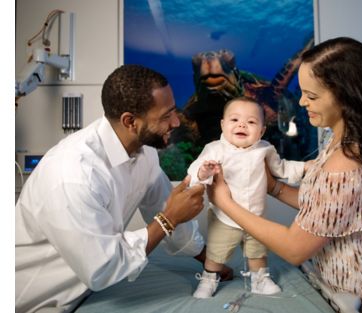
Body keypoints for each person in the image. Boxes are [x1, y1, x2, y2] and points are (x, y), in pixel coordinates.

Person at [207, 37, 362, 313]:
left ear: (347, 96)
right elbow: (330, 209)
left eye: (312, 96)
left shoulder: (348, 160)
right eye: (302, 92)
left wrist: (225, 202)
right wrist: (273, 187)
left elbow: (295, 248)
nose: (302, 102)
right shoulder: (343, 138)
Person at [15, 64, 232, 313]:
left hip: (82, 291)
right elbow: (104, 268)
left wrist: (210, 260)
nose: (175, 122)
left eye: (175, 111)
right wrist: (169, 219)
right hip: (30, 300)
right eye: (166, 115)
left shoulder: (144, 151)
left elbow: (163, 203)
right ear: (130, 121)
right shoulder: (73, 175)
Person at [187, 97, 308, 298]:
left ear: (261, 131)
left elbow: (282, 168)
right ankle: (209, 279)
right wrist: (203, 172)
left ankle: (259, 279)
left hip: (256, 216)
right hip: (225, 217)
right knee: (216, 252)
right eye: (234, 120)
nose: (242, 124)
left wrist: (304, 168)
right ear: (223, 125)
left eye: (251, 122)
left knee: (257, 251)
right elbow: (194, 171)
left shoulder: (265, 149)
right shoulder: (215, 149)